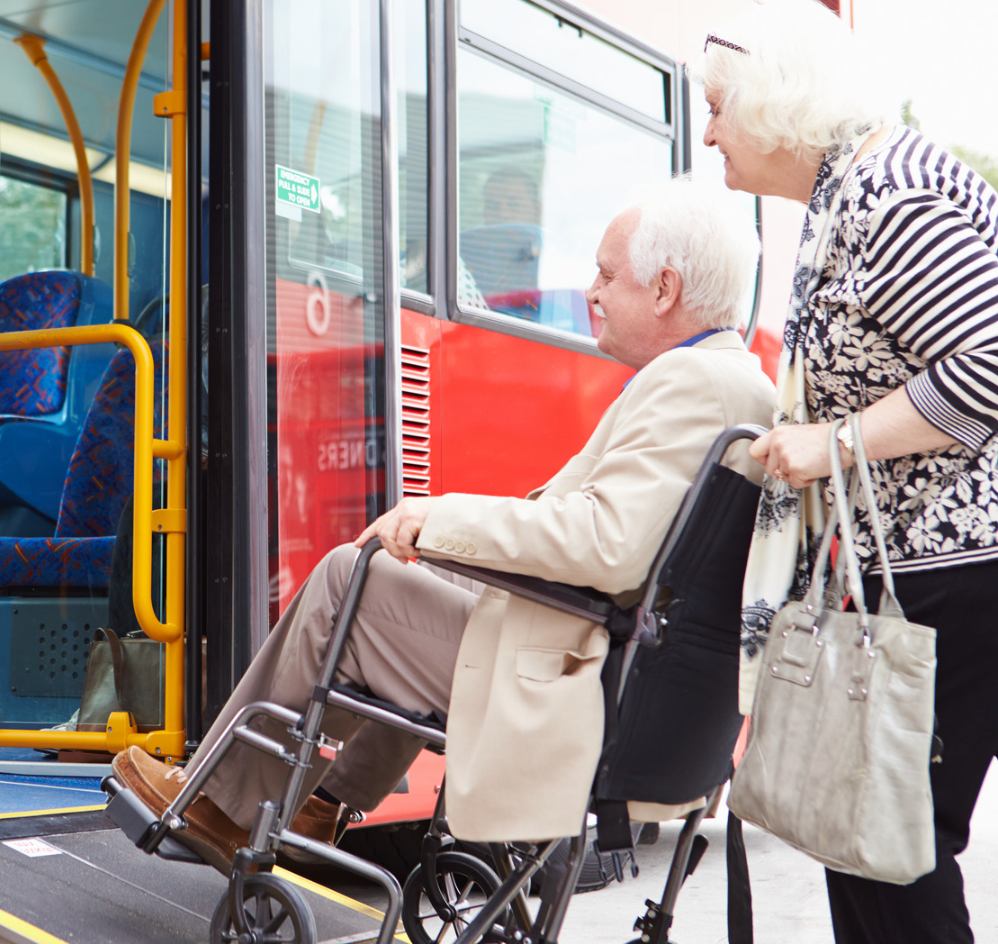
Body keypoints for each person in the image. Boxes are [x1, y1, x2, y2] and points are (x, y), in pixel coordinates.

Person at [113, 177, 775, 869]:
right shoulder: (736, 383)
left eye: (608, 275)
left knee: (352, 578)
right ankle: (320, 805)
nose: (592, 292)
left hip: (582, 689)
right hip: (628, 679)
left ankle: (220, 807)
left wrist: (437, 518)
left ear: (665, 289)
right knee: (407, 582)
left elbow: (606, 547)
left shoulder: (690, 383)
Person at [701, 2, 998, 941]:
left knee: (898, 851)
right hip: (909, 577)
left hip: (954, 577)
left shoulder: (890, 193)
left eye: (718, 107)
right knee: (862, 842)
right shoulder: (846, 194)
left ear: (774, 103)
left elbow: (988, 366)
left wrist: (834, 443)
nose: (707, 130)